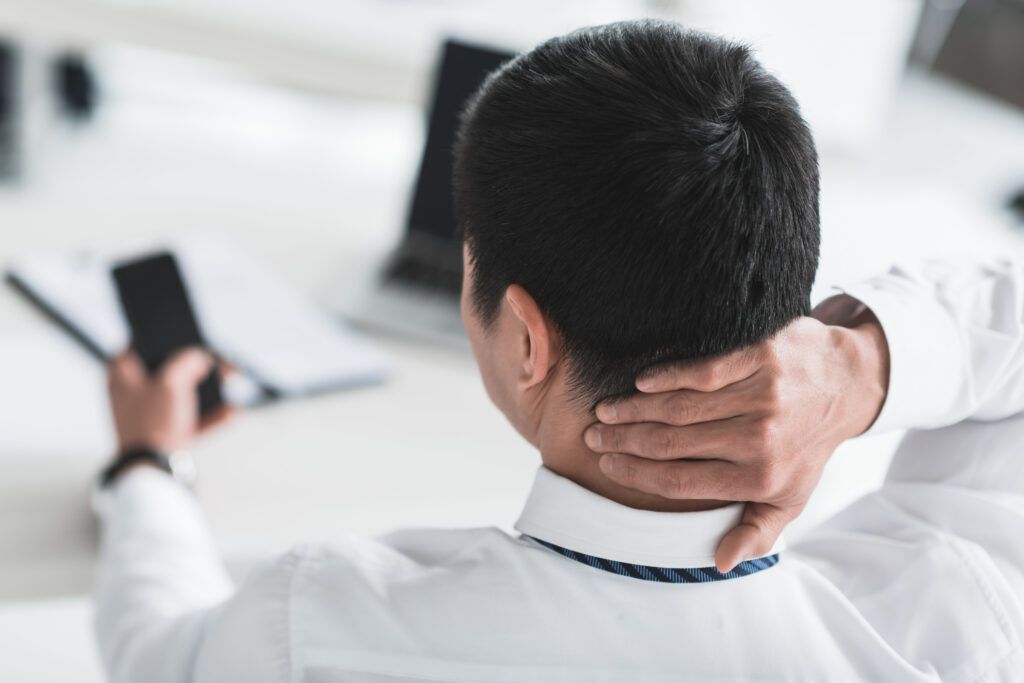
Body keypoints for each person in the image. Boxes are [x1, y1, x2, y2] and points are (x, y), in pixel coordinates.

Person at [94, 20, 1024, 682]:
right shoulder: (947, 622)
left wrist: (145, 464)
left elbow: (152, 651)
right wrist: (861, 366)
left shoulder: (321, 620)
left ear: (529, 338)